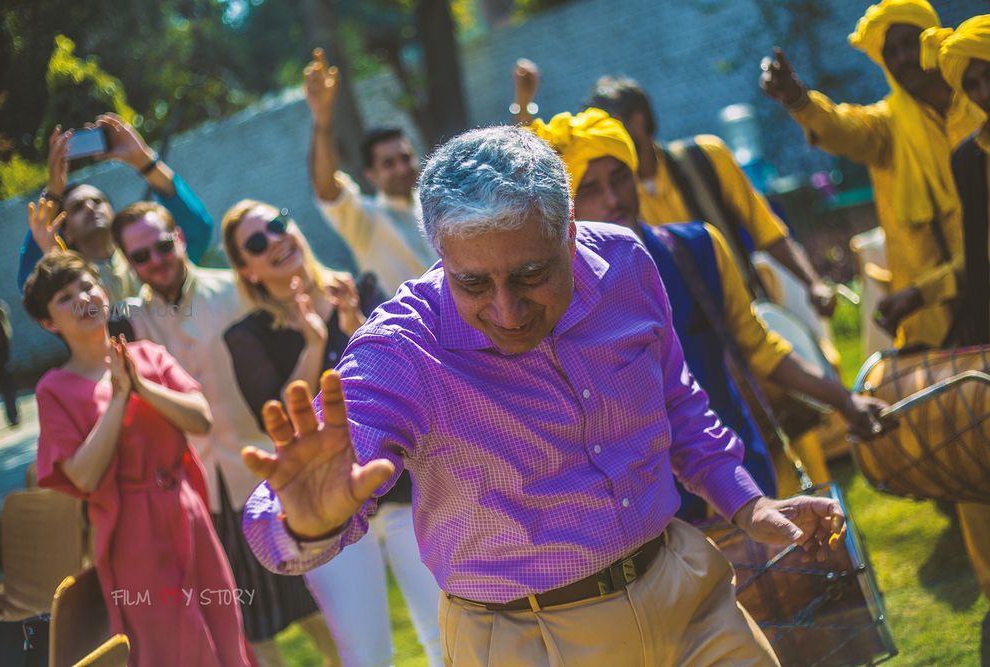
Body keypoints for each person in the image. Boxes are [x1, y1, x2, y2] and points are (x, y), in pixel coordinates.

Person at [240, 125, 853, 667]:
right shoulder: (401, 350)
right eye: (473, 282)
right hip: (521, 641)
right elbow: (276, 524)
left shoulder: (626, 264)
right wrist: (307, 522)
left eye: (532, 274)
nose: (506, 310)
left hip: (687, 595)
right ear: (440, 256)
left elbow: (675, 398)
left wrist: (746, 502)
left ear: (570, 235)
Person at [528, 108, 888, 511]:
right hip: (648, 509)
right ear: (567, 208)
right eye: (590, 190)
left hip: (741, 474)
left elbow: (759, 347)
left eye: (619, 178)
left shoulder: (696, 249)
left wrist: (843, 400)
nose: (612, 199)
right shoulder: (557, 297)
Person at [107, 201, 337, 667]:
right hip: (201, 497)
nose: (156, 260)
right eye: (140, 256)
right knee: (246, 622)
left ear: (180, 239)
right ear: (128, 264)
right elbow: (65, 304)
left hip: (268, 475)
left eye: (162, 245)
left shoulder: (238, 289)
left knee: (314, 607)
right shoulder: (129, 321)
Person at [221, 199, 442, 667]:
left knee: (446, 636)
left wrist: (356, 328)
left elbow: (406, 371)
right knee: (365, 656)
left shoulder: (360, 290)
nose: (276, 240)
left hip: (405, 491)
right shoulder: (247, 336)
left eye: (279, 224)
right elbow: (276, 418)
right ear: (248, 270)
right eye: (257, 243)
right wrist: (315, 342)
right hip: (330, 511)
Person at [24, 251, 250, 667]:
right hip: (130, 534)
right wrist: (118, 398)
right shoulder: (53, 389)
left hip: (189, 513)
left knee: (222, 628)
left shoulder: (149, 355)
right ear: (48, 323)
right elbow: (84, 477)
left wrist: (141, 385)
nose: (82, 299)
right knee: (167, 644)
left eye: (86, 286)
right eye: (64, 297)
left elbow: (200, 419)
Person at [760, 0, 984, 348]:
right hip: (931, 312)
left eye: (910, 43)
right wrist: (798, 100)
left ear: (933, 42)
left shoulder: (979, 107)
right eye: (890, 51)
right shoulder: (888, 126)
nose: (902, 58)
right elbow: (843, 128)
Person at [578, 75, 837, 318]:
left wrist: (813, 284)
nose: (603, 142)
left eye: (608, 129)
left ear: (638, 120)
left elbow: (766, 229)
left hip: (748, 314)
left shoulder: (706, 158)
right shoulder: (611, 201)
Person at [924, 16, 990, 663]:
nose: (984, 88)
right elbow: (976, 257)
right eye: (973, 81)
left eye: (988, 71)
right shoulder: (969, 157)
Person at [18, 113, 214, 301]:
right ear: (66, 232)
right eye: (77, 207)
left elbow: (198, 230)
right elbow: (32, 286)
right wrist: (53, 190)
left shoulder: (150, 257)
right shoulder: (67, 284)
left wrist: (143, 159)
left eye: (98, 201)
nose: (90, 207)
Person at [305, 48, 438, 297]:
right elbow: (326, 188)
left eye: (406, 158)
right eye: (388, 164)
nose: (401, 168)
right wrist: (322, 120)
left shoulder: (438, 206)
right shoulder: (365, 219)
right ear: (371, 176)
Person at [0, 294, 19, 434]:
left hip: (1, 351)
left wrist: (7, 344)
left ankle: (13, 417)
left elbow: (6, 325)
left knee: (8, 385)